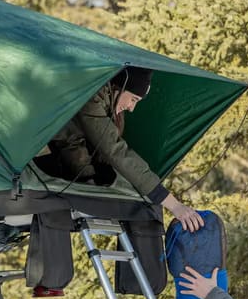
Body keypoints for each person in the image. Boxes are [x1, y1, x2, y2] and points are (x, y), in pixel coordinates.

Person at [43, 66, 204, 234]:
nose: (131, 107)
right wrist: (173, 204)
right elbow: (115, 151)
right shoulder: (90, 99)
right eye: (133, 99)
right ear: (120, 86)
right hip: (46, 160)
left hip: (71, 163)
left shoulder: (110, 105)